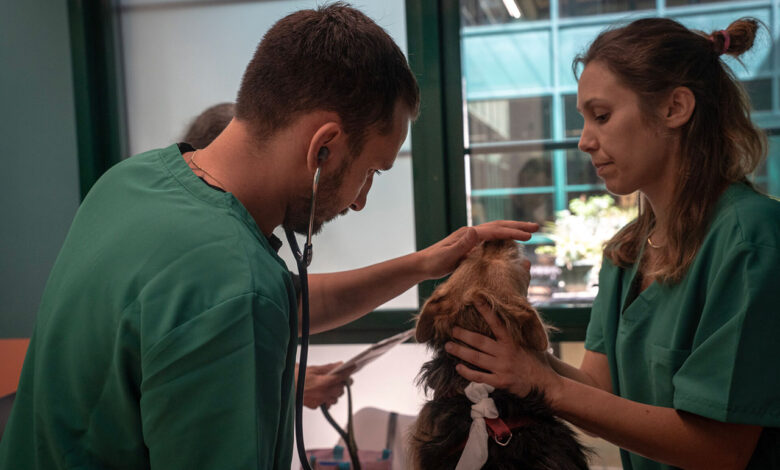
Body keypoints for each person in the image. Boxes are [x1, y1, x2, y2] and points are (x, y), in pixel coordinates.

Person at [0, 4, 539, 470]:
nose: (360, 200)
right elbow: (242, 298)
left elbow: (279, 299)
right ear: (322, 147)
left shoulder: (130, 183)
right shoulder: (233, 285)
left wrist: (426, 264)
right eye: (371, 172)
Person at [445, 17, 780, 469]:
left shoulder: (751, 240)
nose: (584, 141)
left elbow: (719, 449)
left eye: (601, 116)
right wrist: (520, 355)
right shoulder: (627, 251)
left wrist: (539, 381)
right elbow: (600, 393)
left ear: (675, 108)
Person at [183, 101, 352, 410]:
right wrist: (291, 384)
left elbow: (296, 300)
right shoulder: (206, 254)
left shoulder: (244, 252)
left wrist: (421, 266)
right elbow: (200, 380)